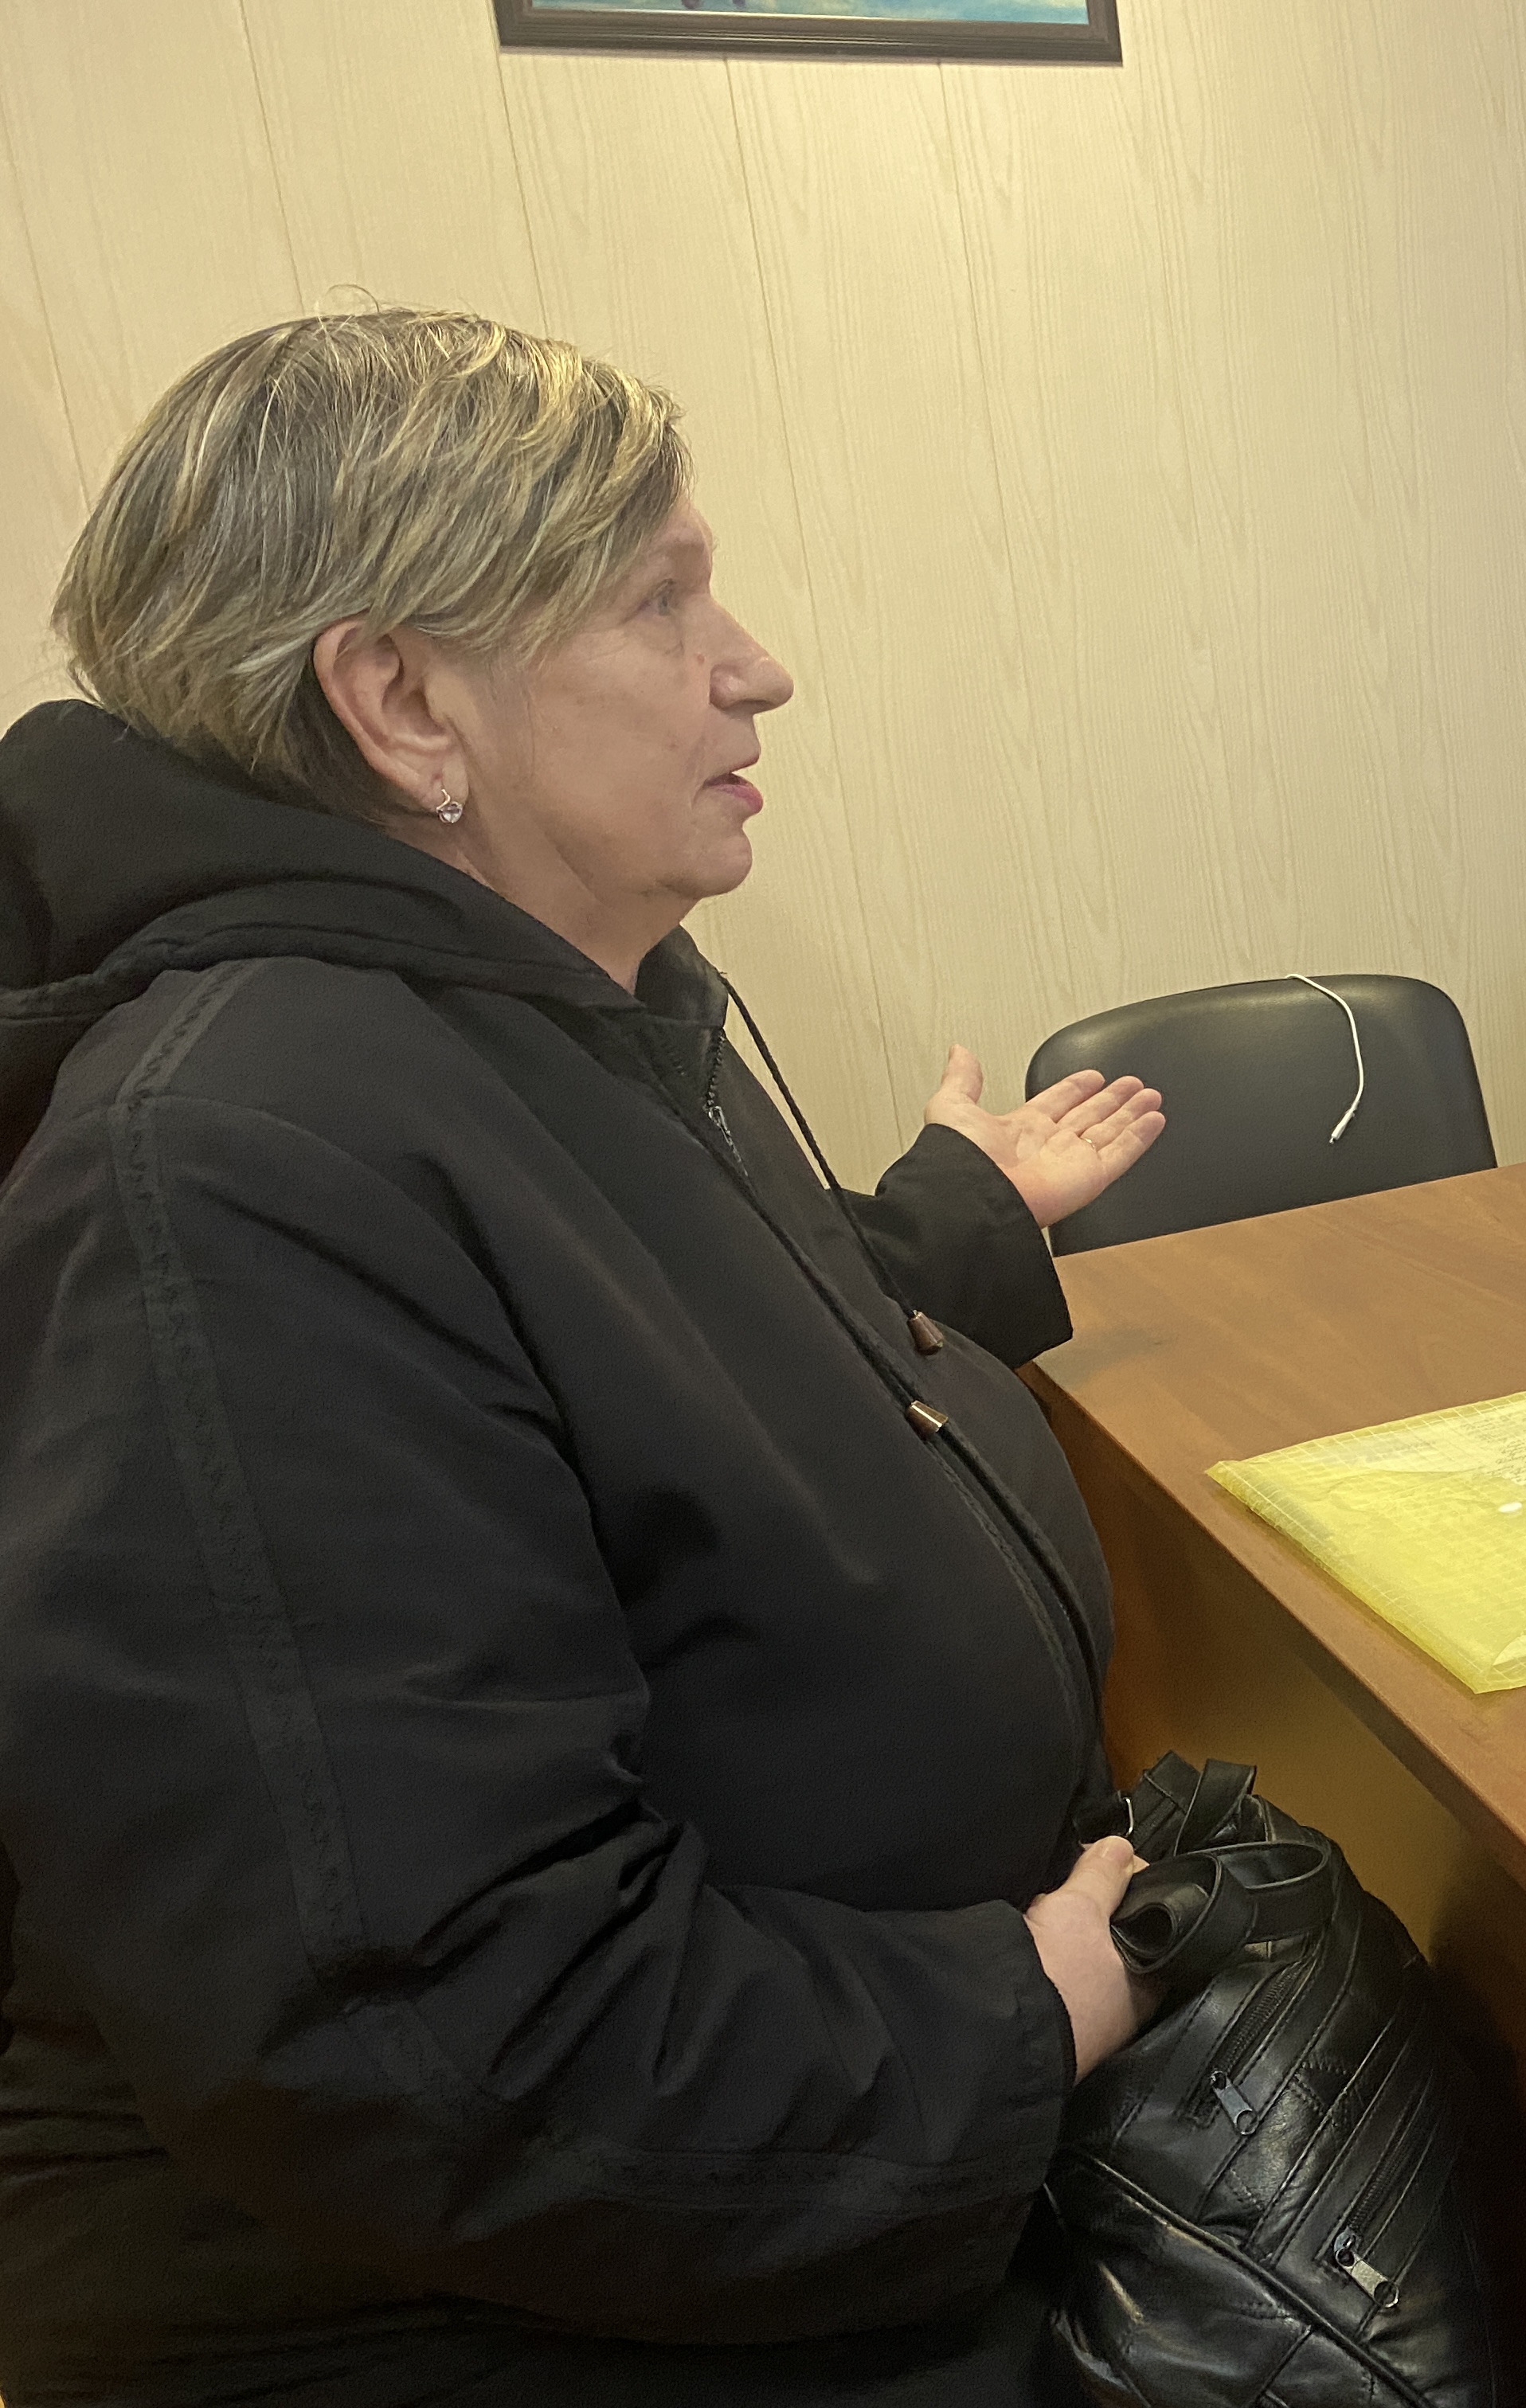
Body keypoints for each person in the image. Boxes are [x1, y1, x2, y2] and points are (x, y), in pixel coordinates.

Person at [0, 309, 1172, 2403]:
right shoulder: (227, 1166)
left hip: (811, 2161)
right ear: (402, 703)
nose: (756, 665)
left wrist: (964, 1217)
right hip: (525, 2310)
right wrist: (1040, 2000)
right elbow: (440, 2043)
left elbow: (658, 1338)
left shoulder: (561, 1013)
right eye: (660, 600)